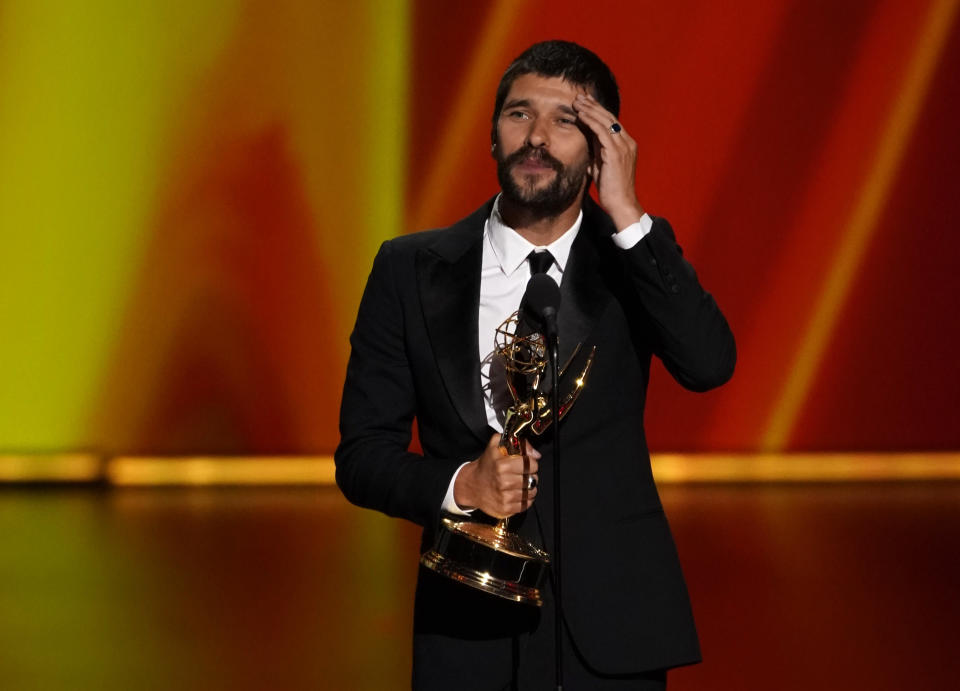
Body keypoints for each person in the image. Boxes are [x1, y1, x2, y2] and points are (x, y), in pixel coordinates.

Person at [336, 40, 735, 690]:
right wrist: (463, 485)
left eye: (566, 121)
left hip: (614, 633)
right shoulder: (407, 269)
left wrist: (630, 214)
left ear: (606, 146)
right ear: (492, 134)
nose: (538, 138)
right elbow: (359, 457)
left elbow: (710, 363)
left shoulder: (631, 263)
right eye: (520, 114)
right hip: (468, 625)